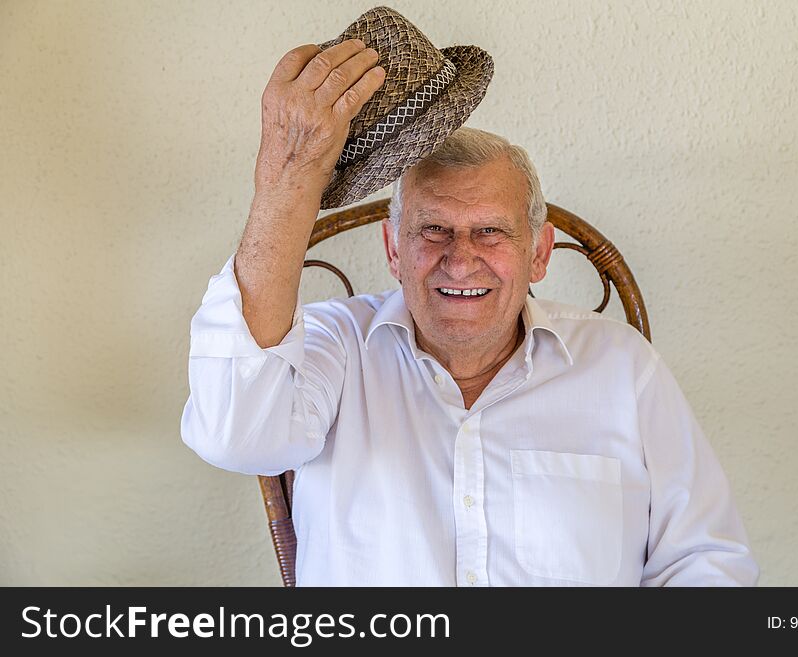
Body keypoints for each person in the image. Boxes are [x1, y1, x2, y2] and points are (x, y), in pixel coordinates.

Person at [181, 37, 759, 586]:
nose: (461, 261)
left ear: (538, 252)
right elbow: (236, 435)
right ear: (393, 250)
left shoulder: (621, 365)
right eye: (433, 230)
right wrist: (291, 176)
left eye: (490, 232)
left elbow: (706, 561)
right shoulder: (334, 347)